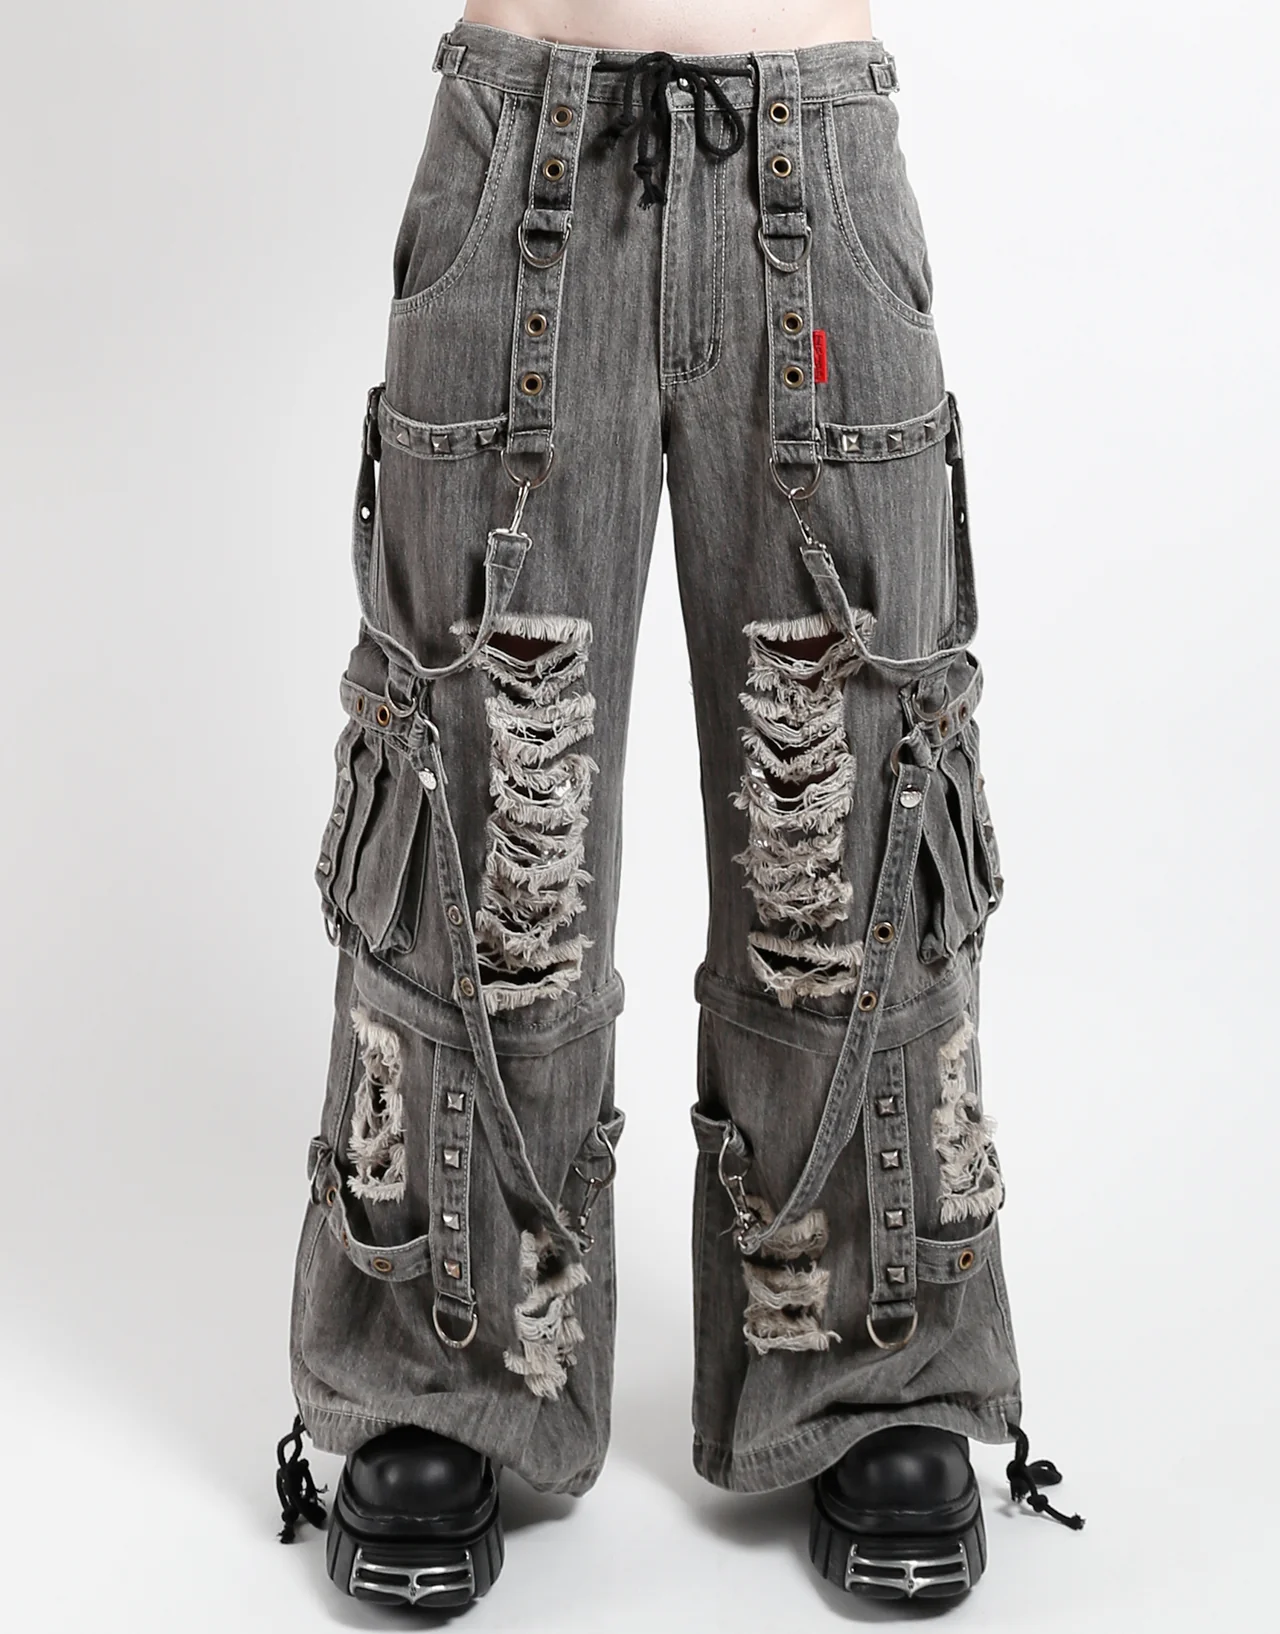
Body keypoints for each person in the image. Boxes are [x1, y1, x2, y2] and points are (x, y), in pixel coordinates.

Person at [273, 1, 1085, 1609]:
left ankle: (869, 1359)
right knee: (481, 795)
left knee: (844, 795)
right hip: (521, 156)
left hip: (812, 160)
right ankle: (447, 1354)